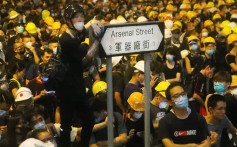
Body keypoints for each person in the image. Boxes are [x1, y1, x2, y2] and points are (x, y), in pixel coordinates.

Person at [57, 2, 102, 147]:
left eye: (82, 16)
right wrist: (97, 41)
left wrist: (94, 23)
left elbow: (86, 27)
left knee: (89, 121)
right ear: (68, 20)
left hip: (78, 86)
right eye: (76, 17)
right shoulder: (66, 40)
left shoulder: (78, 32)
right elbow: (87, 58)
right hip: (66, 89)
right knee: (66, 125)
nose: (80, 20)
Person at [158, 82, 210, 146]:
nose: (181, 98)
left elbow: (207, 143)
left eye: (183, 94)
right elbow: (168, 145)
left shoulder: (199, 119)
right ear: (169, 102)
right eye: (176, 96)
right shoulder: (165, 121)